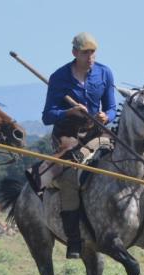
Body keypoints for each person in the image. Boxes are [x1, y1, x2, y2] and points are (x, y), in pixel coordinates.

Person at [36, 32, 117, 259]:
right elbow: (47, 116)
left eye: (93, 52)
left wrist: (106, 116)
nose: (90, 57)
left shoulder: (105, 73)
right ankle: (73, 239)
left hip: (96, 132)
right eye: (85, 52)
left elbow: (112, 107)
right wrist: (68, 111)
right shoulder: (59, 77)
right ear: (75, 53)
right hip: (67, 134)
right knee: (70, 175)